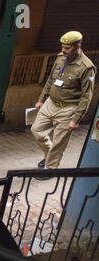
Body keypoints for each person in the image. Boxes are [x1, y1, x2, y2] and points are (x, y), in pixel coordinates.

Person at [31, 31, 96, 171]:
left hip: (68, 110)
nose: (63, 50)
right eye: (62, 46)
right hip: (51, 103)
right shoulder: (60, 58)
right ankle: (49, 154)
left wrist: (76, 120)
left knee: (58, 143)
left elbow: (86, 96)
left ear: (77, 46)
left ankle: (50, 169)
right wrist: (41, 99)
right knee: (36, 130)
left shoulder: (87, 68)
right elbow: (50, 80)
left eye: (67, 48)